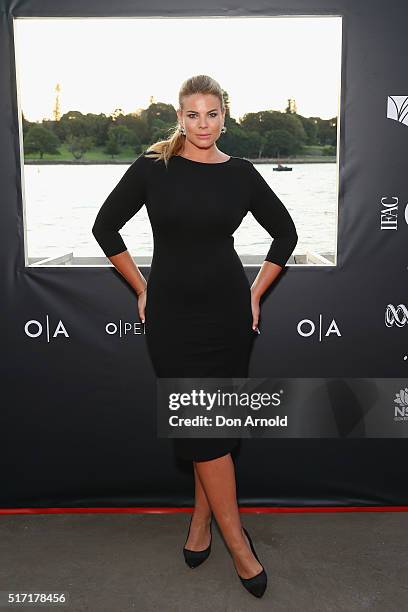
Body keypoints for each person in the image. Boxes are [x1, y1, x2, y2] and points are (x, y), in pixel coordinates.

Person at [92, 74, 298, 599]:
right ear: (179, 116)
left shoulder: (243, 174)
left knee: (214, 424)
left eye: (211, 114)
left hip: (228, 314)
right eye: (192, 114)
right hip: (173, 318)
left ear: (224, 117)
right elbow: (105, 227)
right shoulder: (152, 168)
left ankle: (201, 525)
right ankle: (240, 545)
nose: (202, 124)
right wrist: (141, 287)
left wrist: (254, 293)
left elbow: (286, 233)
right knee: (204, 427)